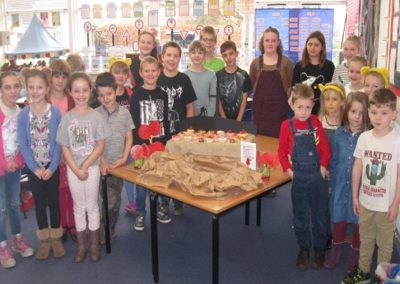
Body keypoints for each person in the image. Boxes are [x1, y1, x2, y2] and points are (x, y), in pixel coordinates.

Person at [342, 88, 400, 284]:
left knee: (385, 245)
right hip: (366, 201)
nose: (378, 117)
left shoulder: (397, 141)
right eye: (374, 112)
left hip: (386, 206)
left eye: (384, 113)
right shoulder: (364, 138)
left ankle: (384, 278)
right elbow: (357, 168)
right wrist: (354, 196)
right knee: (365, 240)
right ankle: (364, 272)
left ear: (394, 114)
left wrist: (395, 204)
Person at [56, 72, 109, 263]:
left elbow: (100, 144)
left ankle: (94, 245)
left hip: (92, 168)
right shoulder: (66, 118)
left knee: (92, 205)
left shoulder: (96, 116)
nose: (81, 94)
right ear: (70, 92)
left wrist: (86, 165)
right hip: (73, 169)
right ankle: (82, 245)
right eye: (76, 91)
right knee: (79, 207)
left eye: (85, 90)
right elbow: (65, 147)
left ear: (91, 91)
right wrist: (76, 169)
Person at [278, 83, 331, 270]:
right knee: (300, 215)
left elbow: (325, 148)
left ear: (312, 106)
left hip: (317, 176)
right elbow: (282, 153)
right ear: (292, 105)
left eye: (308, 107)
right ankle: (304, 248)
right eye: (300, 107)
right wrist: (290, 172)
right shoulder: (287, 126)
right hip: (298, 177)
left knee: (320, 215)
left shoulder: (315, 123)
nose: (303, 112)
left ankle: (319, 249)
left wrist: (323, 166)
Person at [17, 69, 65, 260]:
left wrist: (52, 167)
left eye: (39, 87)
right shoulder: (23, 115)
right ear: (27, 89)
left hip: (51, 167)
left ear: (47, 89)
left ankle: (56, 238)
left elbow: (58, 142)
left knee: (53, 202)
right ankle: (44, 240)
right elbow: (23, 144)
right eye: (31, 87)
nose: (35, 91)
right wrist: (34, 168)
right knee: (39, 204)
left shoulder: (55, 113)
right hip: (34, 168)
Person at [323, 92, 370, 273]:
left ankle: (355, 254)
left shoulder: (367, 137)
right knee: (338, 216)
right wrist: (332, 181)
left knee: (358, 220)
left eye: (361, 113)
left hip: (359, 189)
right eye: (353, 111)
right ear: (346, 111)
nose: (357, 117)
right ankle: (336, 250)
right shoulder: (339, 135)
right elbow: (334, 160)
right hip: (340, 184)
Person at [130, 56, 170, 231]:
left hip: (160, 144)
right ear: (141, 73)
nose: (150, 74)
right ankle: (140, 212)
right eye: (147, 70)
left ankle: (163, 206)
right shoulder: (136, 95)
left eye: (154, 70)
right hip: (142, 146)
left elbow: (165, 120)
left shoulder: (162, 94)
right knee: (141, 180)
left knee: (161, 176)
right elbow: (133, 122)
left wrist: (166, 141)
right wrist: (136, 145)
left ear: (159, 72)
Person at [157, 41, 197, 216]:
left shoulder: (184, 79)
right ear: (162, 57)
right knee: (165, 167)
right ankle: (164, 201)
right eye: (168, 55)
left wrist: (189, 130)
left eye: (175, 56)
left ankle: (179, 200)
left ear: (180, 58)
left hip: (180, 133)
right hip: (161, 133)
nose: (172, 59)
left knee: (181, 166)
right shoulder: (156, 79)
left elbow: (190, 106)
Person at [94, 72, 134, 243]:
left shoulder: (124, 113)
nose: (105, 98)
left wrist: (125, 158)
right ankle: (104, 226)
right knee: (103, 198)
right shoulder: (94, 114)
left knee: (113, 200)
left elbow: (129, 136)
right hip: (99, 164)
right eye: (101, 95)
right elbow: (93, 141)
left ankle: (107, 227)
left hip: (118, 165)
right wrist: (101, 161)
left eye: (109, 94)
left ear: (115, 91)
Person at [0, 71, 33, 268]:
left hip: (14, 167)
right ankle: (3, 245)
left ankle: (17, 238)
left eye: (15, 86)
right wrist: (5, 163)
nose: (12, 91)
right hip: (2, 167)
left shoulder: (21, 112)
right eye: (7, 87)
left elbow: (23, 141)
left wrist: (18, 161)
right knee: (1, 208)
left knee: (13, 204)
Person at [49, 59, 77, 243]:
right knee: (57, 192)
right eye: (56, 76)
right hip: (51, 153)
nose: (59, 80)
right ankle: (61, 225)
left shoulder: (71, 98)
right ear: (50, 77)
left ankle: (73, 224)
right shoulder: (44, 98)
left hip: (71, 151)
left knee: (72, 190)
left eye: (63, 76)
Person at [250, 27, 293, 137]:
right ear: (262, 42)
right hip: (260, 114)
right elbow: (252, 83)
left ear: (278, 42)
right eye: (267, 40)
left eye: (273, 40)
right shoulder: (255, 64)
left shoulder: (286, 63)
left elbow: (289, 86)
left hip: (279, 114)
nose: (270, 43)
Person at [292, 31, 335, 115]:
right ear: (306, 46)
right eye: (310, 44)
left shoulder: (329, 66)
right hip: (302, 111)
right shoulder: (298, 66)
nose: (312, 48)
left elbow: (330, 91)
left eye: (316, 45)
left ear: (322, 47)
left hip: (321, 111)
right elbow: (295, 89)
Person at [217, 40, 252, 121]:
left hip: (239, 120)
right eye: (225, 55)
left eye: (231, 54)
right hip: (222, 119)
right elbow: (218, 99)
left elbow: (244, 100)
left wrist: (238, 120)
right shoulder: (218, 76)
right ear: (222, 57)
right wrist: (223, 118)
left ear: (236, 54)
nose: (228, 58)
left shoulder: (244, 75)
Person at [184, 40, 217, 116]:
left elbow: (213, 99)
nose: (197, 55)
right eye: (194, 53)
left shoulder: (211, 75)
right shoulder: (184, 75)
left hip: (206, 118)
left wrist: (208, 116)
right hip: (188, 116)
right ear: (189, 54)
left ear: (204, 55)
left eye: (200, 53)